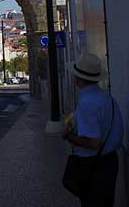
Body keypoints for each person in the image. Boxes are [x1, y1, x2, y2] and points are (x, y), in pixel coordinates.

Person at [62, 52, 124, 206]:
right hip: (110, 160)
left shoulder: (87, 104)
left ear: (78, 79)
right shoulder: (107, 98)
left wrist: (68, 136)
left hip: (93, 165)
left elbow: (93, 142)